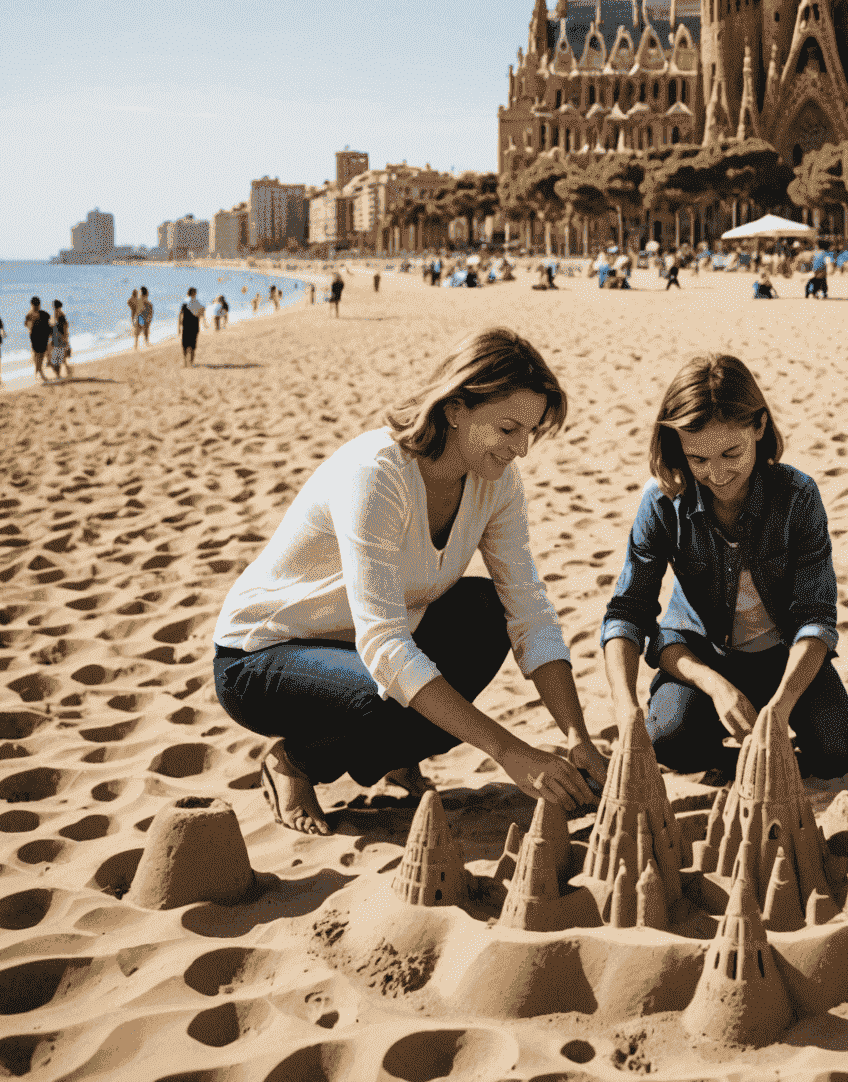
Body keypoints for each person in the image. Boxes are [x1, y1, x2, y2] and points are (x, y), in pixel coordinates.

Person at [213, 327, 606, 835]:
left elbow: (528, 608)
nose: (522, 450)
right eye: (509, 429)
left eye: (529, 433)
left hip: (361, 649)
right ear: (456, 406)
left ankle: (395, 752)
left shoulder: (498, 482)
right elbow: (385, 647)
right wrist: (511, 752)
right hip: (261, 657)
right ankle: (294, 761)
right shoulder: (377, 473)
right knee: (389, 698)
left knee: (487, 611)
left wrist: (577, 736)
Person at [600, 353, 848, 782]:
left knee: (836, 751)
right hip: (698, 658)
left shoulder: (798, 496)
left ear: (758, 427)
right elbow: (628, 610)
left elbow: (817, 619)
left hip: (784, 657)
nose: (716, 474)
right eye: (698, 459)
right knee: (668, 738)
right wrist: (627, 711)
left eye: (730, 453)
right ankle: (747, 760)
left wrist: (780, 706)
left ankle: (768, 750)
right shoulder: (662, 500)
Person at [25, 297, 52, 382]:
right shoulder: (39, 314)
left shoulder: (33, 314)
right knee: (39, 355)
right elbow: (29, 326)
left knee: (40, 355)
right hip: (37, 337)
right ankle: (40, 373)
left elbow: (28, 326)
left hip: (41, 337)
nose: (36, 306)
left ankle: (38, 372)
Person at [179, 287, 205, 367]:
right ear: (194, 293)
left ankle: (185, 362)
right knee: (193, 344)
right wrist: (204, 323)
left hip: (186, 326)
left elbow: (180, 315)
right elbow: (201, 313)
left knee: (185, 344)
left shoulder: (185, 302)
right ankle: (191, 362)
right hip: (194, 326)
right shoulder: (197, 303)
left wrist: (179, 327)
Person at [47, 301, 72, 380]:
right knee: (61, 358)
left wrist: (64, 338)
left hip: (59, 340)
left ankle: (60, 375)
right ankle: (67, 373)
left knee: (57, 358)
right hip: (59, 339)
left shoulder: (59, 315)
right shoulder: (60, 314)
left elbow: (61, 327)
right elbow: (65, 327)